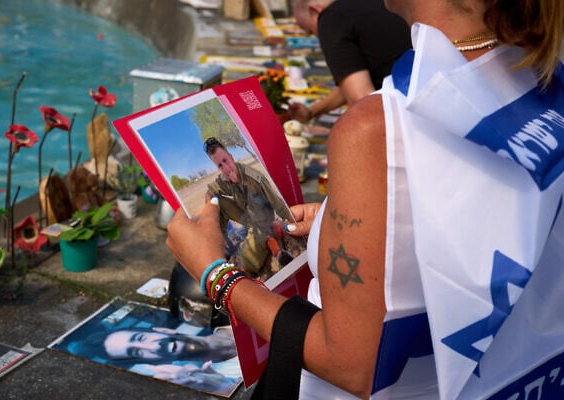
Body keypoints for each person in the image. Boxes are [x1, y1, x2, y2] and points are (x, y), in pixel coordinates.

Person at [167, 1, 564, 399]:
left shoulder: (376, 129)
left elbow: (351, 364)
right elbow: (487, 218)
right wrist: (338, 220)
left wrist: (215, 273)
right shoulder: (542, 70)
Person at [288, 0, 411, 123]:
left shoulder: (331, 18)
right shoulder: (364, 7)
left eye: (310, 31)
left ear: (314, 10)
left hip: (403, 119)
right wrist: (311, 111)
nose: (316, 36)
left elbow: (362, 101)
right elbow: (353, 81)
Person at [203, 137, 300, 278]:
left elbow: (277, 202)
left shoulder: (253, 177)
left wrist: (295, 224)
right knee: (216, 201)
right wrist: (209, 200)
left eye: (225, 161)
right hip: (247, 218)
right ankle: (222, 244)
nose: (226, 168)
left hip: (262, 221)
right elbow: (211, 190)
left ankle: (270, 239)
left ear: (231, 157)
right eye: (220, 166)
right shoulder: (224, 180)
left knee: (248, 262)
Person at [101, 325, 237, 365]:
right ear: (157, 363)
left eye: (141, 338)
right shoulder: (225, 378)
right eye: (138, 352)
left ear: (165, 330)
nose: (153, 347)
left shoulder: (237, 320)